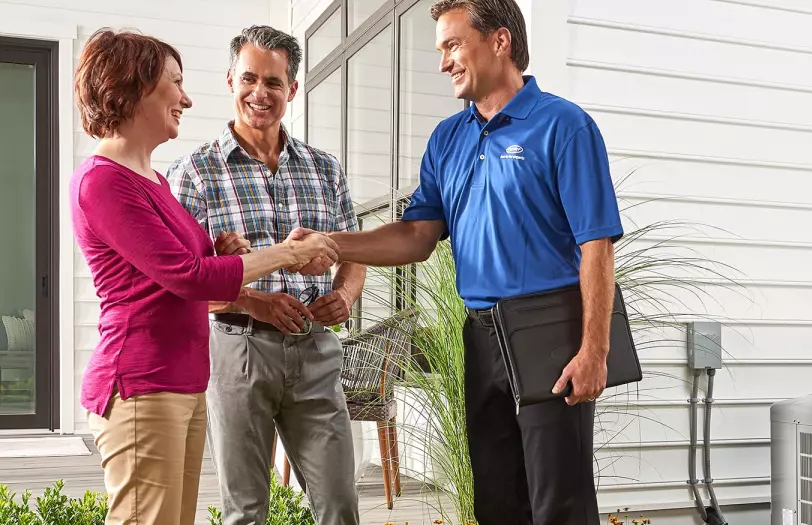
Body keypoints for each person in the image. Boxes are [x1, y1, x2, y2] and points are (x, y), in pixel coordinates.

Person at [295, 1, 624, 523]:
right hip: (481, 334)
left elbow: (597, 246)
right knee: (495, 497)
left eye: (452, 45)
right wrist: (332, 242)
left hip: (550, 330)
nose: (443, 62)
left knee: (559, 503)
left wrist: (594, 351)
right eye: (440, 49)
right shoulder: (448, 139)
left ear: (500, 41)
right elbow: (417, 236)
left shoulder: (564, 126)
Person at [70, 28, 340, 525]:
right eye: (174, 82)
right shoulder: (103, 181)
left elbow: (191, 263)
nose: (186, 98)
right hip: (141, 382)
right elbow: (190, 278)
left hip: (181, 382)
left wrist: (221, 250)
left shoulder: (148, 178)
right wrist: (283, 254)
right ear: (135, 86)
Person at [165, 25, 365, 525]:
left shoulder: (325, 169)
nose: (260, 93)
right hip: (238, 350)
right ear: (230, 79)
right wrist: (253, 301)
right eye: (249, 78)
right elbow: (180, 285)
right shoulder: (194, 173)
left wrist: (344, 293)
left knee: (339, 504)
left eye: (273, 82)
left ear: (292, 90)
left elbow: (354, 251)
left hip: (316, 349)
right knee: (245, 511)